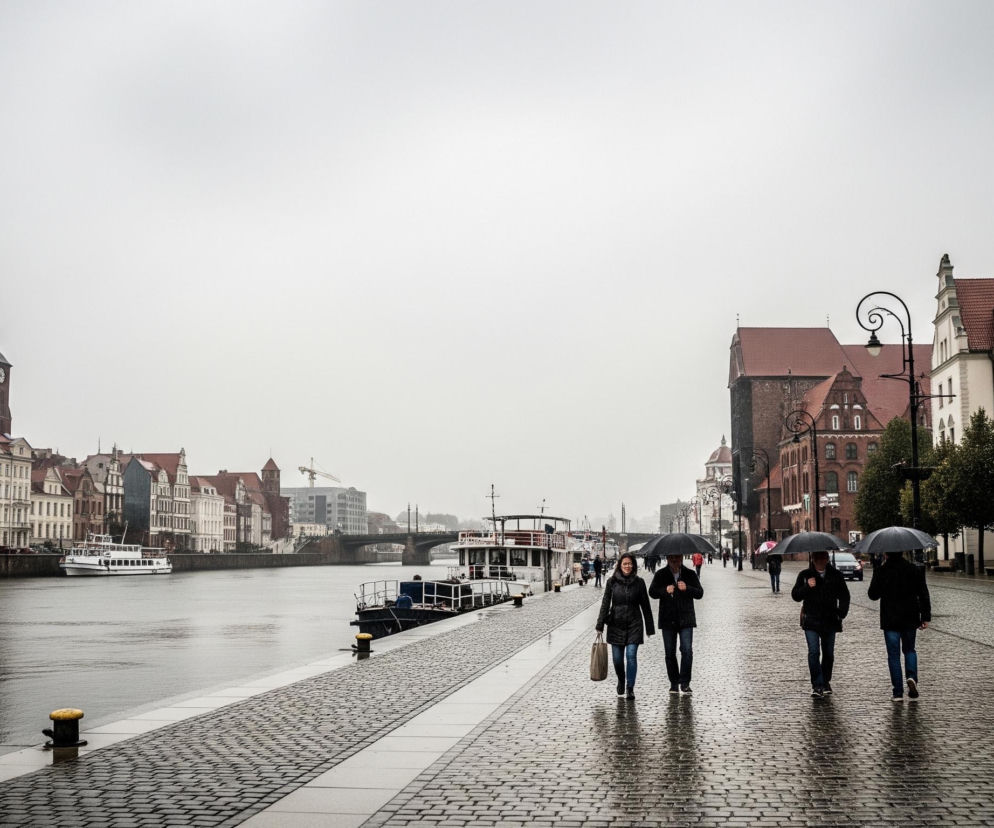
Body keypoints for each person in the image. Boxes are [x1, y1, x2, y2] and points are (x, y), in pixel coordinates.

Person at [867, 550, 931, 701]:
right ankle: (912, 677)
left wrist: (878, 572)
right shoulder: (914, 569)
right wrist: (925, 616)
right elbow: (923, 593)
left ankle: (897, 692)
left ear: (886, 554)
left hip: (890, 619)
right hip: (910, 617)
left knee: (893, 656)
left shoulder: (882, 570)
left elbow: (873, 595)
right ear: (902, 552)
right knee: (909, 650)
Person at [791, 550, 851, 698]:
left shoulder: (835, 575)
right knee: (813, 652)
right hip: (811, 619)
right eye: (817, 558)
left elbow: (844, 595)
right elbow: (796, 596)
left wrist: (841, 612)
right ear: (813, 559)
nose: (820, 560)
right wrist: (807, 587)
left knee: (828, 653)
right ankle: (817, 685)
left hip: (830, 620)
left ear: (827, 559)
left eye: (823, 557)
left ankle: (825, 681)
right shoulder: (805, 575)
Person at [596, 552, 654, 700]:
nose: (627, 566)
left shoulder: (639, 582)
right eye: (625, 564)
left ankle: (630, 687)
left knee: (631, 656)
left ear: (633, 565)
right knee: (617, 659)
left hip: (634, 623)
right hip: (616, 623)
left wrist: (649, 627)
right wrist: (600, 624)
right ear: (620, 566)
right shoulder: (612, 582)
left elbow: (645, 605)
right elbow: (605, 603)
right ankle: (621, 680)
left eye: (630, 564)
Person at [649, 552, 704, 694]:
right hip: (668, 619)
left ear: (681, 558)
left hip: (686, 618)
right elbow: (652, 592)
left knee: (687, 651)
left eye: (677, 557)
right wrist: (664, 591)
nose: (674, 560)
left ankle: (685, 682)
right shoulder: (661, 574)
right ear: (667, 558)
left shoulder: (690, 574)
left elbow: (699, 593)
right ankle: (674, 682)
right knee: (670, 653)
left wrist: (687, 588)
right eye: (671, 558)